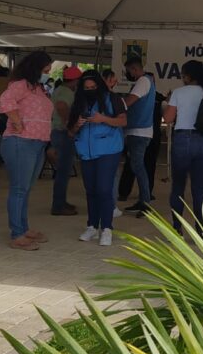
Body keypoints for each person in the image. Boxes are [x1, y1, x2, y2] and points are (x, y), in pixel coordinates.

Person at [162, 60, 203, 235]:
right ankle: (201, 231)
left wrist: (167, 104)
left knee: (178, 187)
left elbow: (167, 119)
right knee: (199, 188)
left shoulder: (178, 92)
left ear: (188, 76)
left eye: (183, 75)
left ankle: (177, 229)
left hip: (183, 139)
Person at [0, 51, 54, 251]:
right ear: (35, 68)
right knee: (19, 189)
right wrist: (17, 122)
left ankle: (23, 227)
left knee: (26, 188)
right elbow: (5, 102)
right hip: (21, 141)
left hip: (37, 142)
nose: (48, 73)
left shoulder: (38, 88)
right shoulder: (20, 85)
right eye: (45, 69)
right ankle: (17, 234)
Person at [69, 70, 127, 246]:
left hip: (109, 149)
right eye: (86, 88)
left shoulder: (113, 99)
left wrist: (103, 118)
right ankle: (92, 226)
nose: (90, 90)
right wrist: (77, 125)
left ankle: (107, 228)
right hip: (86, 152)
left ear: (99, 85)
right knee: (91, 190)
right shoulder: (79, 103)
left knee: (104, 189)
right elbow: (70, 132)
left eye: (93, 87)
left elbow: (123, 121)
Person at [121, 57, 157, 215]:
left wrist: (114, 103)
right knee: (137, 166)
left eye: (128, 71)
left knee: (138, 166)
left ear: (134, 69)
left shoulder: (143, 81)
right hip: (139, 130)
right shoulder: (147, 81)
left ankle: (146, 202)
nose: (128, 74)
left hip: (139, 131)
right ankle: (143, 200)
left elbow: (128, 102)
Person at [50, 66, 81, 216]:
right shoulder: (67, 92)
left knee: (63, 171)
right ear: (75, 80)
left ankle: (61, 201)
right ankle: (58, 205)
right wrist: (69, 125)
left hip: (58, 132)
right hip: (63, 133)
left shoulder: (59, 90)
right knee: (63, 171)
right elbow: (62, 106)